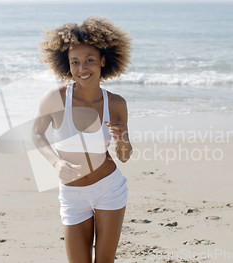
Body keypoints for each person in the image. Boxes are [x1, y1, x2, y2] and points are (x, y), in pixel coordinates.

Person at [31, 16, 133, 263]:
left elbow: (124, 156)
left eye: (89, 60)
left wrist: (122, 141)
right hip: (72, 194)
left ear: (103, 61)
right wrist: (56, 163)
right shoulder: (55, 99)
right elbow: (36, 133)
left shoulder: (116, 103)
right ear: (67, 65)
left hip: (109, 188)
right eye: (74, 62)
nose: (82, 69)